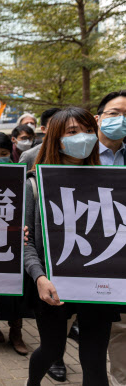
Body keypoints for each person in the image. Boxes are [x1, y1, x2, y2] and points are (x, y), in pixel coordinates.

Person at [24, 107, 120, 386]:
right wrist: (39, 277)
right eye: (73, 132)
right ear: (56, 138)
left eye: (89, 130)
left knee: (94, 360)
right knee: (51, 349)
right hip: (51, 285)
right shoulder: (35, 183)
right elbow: (26, 242)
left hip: (99, 283)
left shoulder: (112, 182)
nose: (84, 137)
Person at [0, 133, 33, 356]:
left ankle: (16, 332)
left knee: (16, 289)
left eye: (4, 154)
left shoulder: (21, 176)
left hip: (14, 240)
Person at [95, 90, 126, 386]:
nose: (121, 120)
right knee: (62, 332)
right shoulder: (77, 156)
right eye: (115, 113)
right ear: (98, 118)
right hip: (79, 259)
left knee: (123, 331)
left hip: (121, 257)